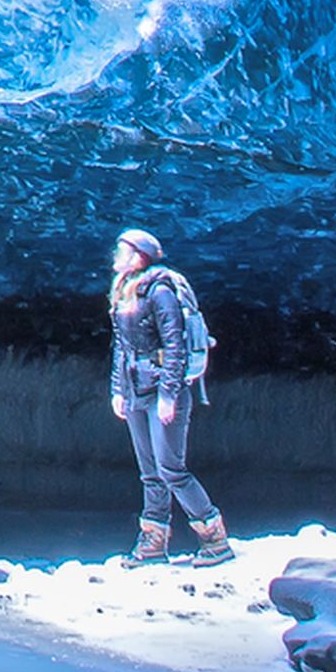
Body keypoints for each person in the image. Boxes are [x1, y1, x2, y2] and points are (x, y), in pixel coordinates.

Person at [107, 226, 229, 563]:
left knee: (171, 468)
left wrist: (169, 394)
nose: (116, 257)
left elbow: (174, 346)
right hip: (136, 389)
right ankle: (152, 542)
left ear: (139, 256)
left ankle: (214, 538)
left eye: (123, 251)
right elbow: (122, 345)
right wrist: (118, 389)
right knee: (149, 471)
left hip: (161, 388)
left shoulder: (159, 292)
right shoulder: (124, 291)